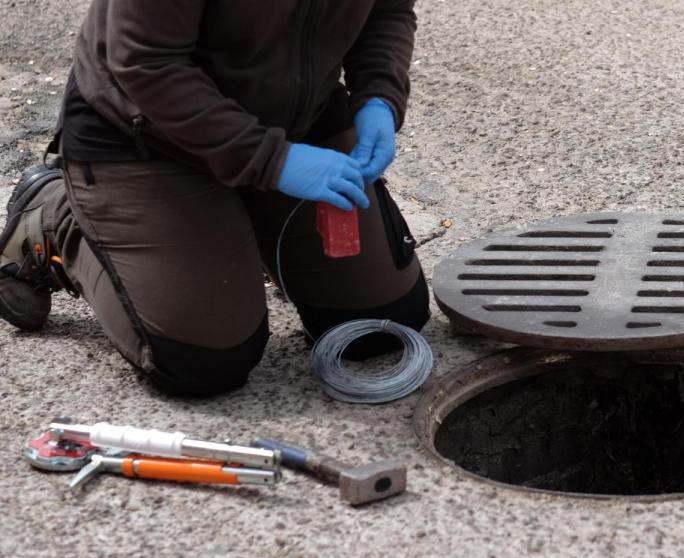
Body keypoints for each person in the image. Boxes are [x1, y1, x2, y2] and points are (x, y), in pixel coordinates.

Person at [0, 0, 428, 397]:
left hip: (297, 118)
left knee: (379, 330)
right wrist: (271, 161)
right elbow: (145, 62)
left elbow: (388, 10)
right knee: (202, 359)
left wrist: (379, 97)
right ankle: (57, 218)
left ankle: (239, 216)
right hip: (148, 133)